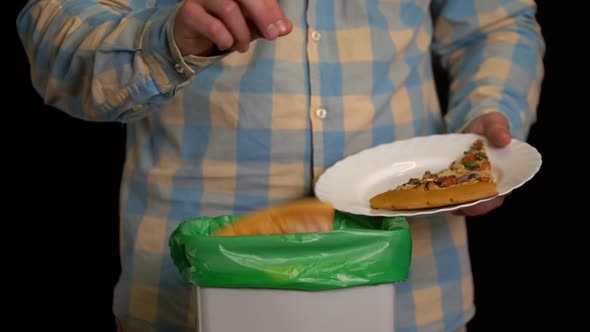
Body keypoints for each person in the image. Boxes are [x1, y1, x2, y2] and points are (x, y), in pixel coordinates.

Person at [16, 0, 545, 331]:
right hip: (187, 297)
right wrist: (166, 39)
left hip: (417, 295)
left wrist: (488, 115)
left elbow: (495, 23)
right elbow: (56, 39)